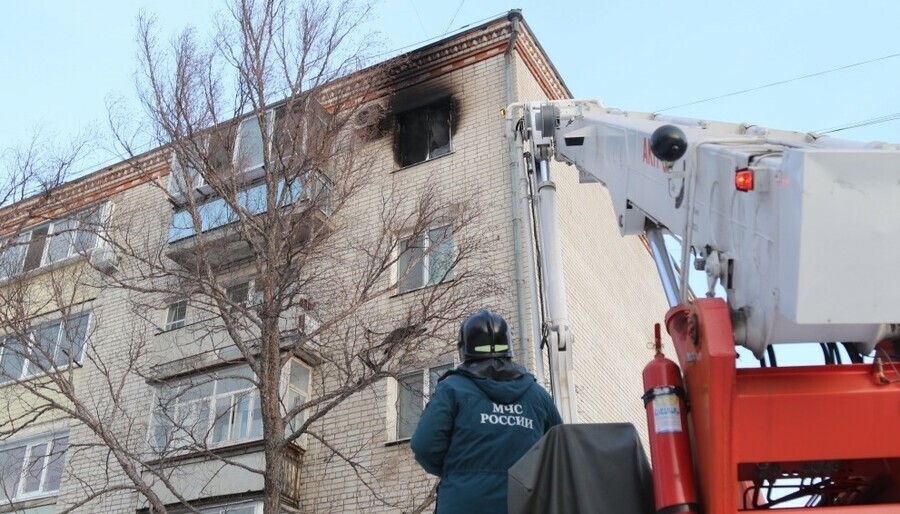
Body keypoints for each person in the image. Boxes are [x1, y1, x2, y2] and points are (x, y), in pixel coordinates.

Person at [411, 309, 563, 513]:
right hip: (525, 504)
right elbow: (560, 450)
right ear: (508, 347)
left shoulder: (452, 389)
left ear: (464, 348)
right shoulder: (537, 396)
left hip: (463, 503)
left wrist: (459, 471)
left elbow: (424, 446)